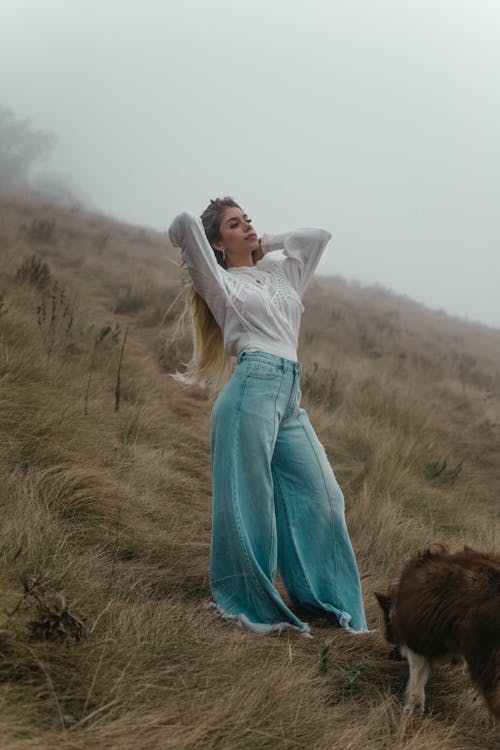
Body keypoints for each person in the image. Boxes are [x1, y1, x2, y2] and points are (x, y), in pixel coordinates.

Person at [168, 197, 368, 636]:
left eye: (248, 220)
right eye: (236, 225)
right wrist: (213, 245)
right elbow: (182, 225)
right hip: (251, 390)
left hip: (288, 394)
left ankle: (330, 607)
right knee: (250, 501)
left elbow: (318, 238)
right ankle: (251, 602)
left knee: (325, 497)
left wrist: (262, 242)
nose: (249, 227)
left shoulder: (282, 274)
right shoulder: (218, 282)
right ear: (218, 242)